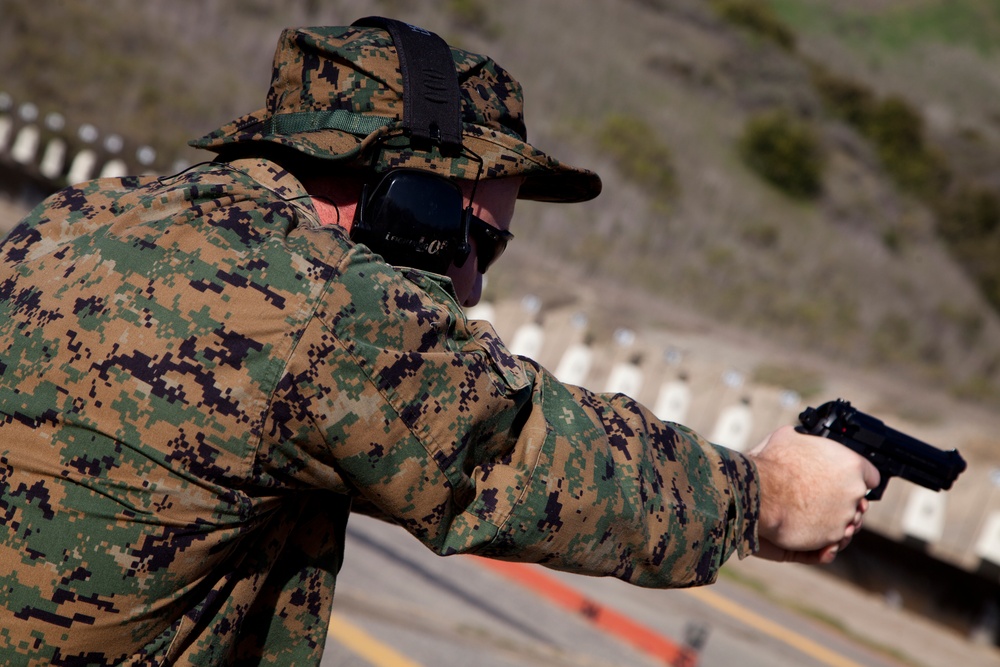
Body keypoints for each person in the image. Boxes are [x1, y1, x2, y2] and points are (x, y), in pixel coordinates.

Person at [0, 18, 878, 666]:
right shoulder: (325, 307)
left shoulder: (75, 222)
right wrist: (763, 493)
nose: (473, 283)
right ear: (404, 204)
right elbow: (526, 453)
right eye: (477, 241)